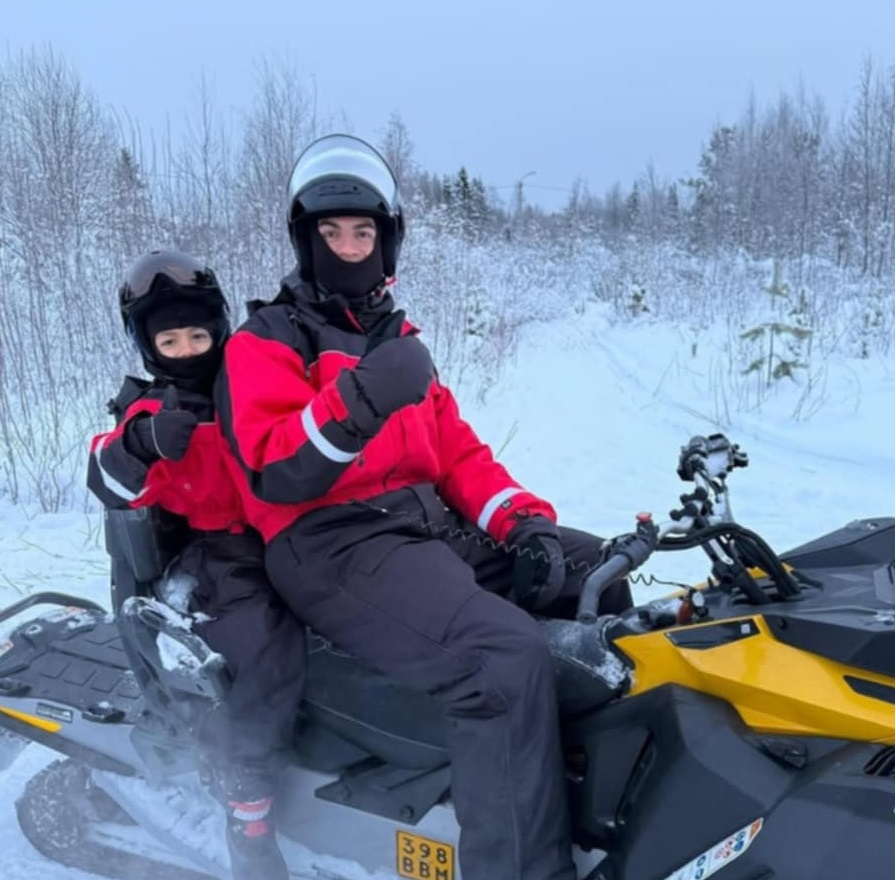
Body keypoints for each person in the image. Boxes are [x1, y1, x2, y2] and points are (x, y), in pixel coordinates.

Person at [215, 134, 635, 880]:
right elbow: (274, 468)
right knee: (498, 657)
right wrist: (361, 397)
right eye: (331, 233)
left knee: (595, 571)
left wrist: (523, 522)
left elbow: (460, 457)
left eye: (363, 232)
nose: (348, 248)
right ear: (305, 242)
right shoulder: (265, 342)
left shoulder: (396, 339)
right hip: (329, 540)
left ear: (387, 240)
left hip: (419, 526)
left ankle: (583, 790)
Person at [87, 250, 306, 880]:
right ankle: (248, 799)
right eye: (170, 339)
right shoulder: (151, 410)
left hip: (285, 534)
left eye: (199, 335)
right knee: (268, 642)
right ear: (149, 346)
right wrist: (139, 445)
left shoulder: (250, 386)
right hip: (212, 555)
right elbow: (105, 474)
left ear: (221, 330)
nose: (187, 350)